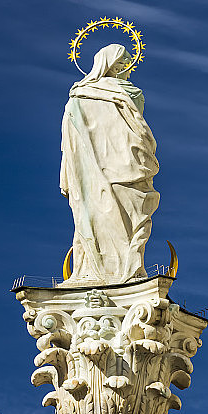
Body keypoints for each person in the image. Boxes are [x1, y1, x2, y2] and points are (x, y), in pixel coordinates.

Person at [60, 44, 160, 285]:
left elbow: (137, 127)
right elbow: (70, 141)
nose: (127, 68)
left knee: (130, 216)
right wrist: (68, 174)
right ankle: (92, 272)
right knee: (93, 216)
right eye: (122, 63)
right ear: (109, 64)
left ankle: (128, 269)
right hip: (90, 171)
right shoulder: (78, 98)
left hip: (126, 164)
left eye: (128, 63)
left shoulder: (129, 93)